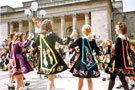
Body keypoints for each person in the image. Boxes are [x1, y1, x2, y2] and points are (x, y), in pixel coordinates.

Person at [32, 19, 69, 90]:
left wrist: (30, 39)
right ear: (50, 26)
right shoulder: (52, 34)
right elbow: (62, 42)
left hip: (43, 60)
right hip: (52, 58)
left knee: (50, 78)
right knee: (51, 79)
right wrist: (70, 37)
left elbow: (34, 45)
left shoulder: (40, 36)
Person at [69, 24, 100, 90]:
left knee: (81, 79)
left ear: (83, 31)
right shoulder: (93, 41)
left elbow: (71, 46)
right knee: (89, 79)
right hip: (90, 63)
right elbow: (98, 51)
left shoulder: (80, 40)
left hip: (82, 62)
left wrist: (73, 38)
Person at [105, 22, 135, 90]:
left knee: (113, 78)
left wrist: (109, 46)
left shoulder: (119, 38)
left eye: (116, 28)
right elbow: (129, 51)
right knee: (122, 79)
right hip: (123, 63)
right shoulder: (126, 39)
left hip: (116, 63)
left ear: (120, 29)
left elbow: (114, 51)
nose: (115, 29)